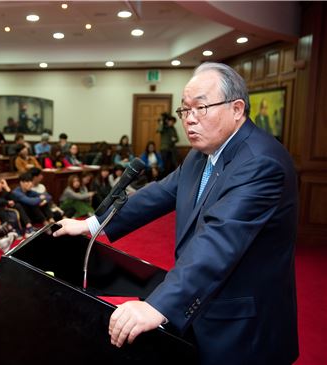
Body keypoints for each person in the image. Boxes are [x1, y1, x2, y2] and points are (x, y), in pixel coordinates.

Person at [53, 62, 299, 365]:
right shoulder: (201, 154)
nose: (189, 120)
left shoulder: (260, 162)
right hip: (203, 304)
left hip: (243, 324)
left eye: (201, 108)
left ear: (237, 109)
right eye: (185, 110)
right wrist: (91, 224)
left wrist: (158, 305)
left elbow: (218, 240)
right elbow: (158, 194)